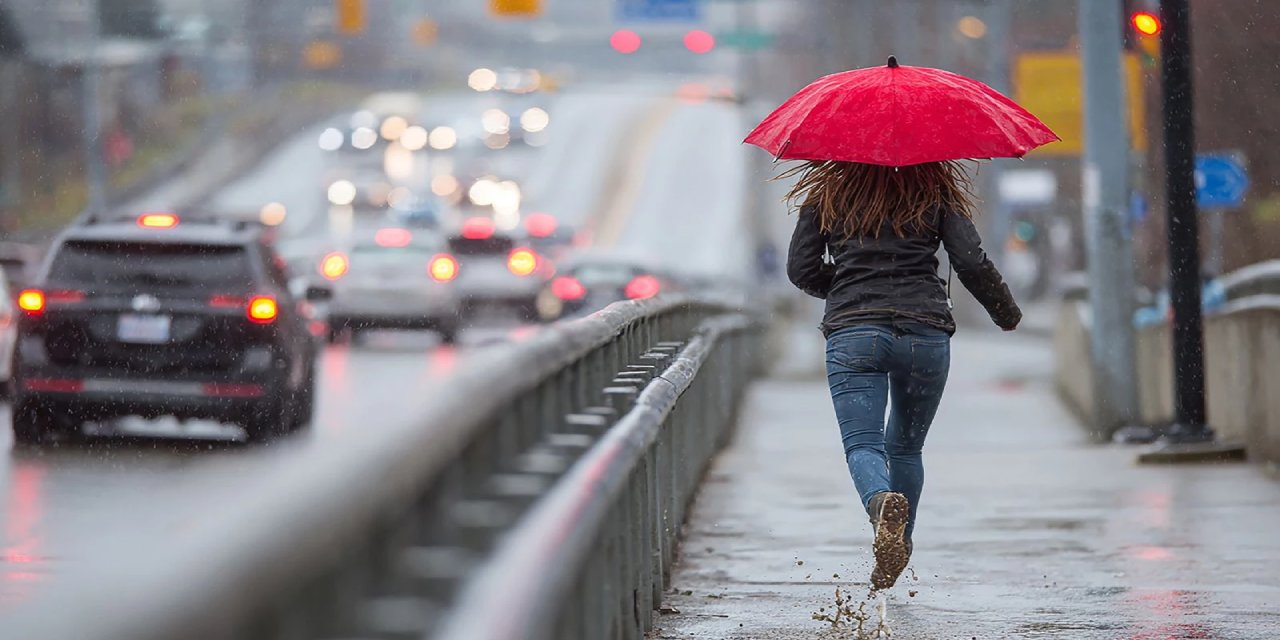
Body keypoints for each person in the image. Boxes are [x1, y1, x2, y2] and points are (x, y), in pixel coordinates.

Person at [783, 160, 1021, 591]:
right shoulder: (935, 190)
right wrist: (1004, 311)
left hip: (855, 333)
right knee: (907, 448)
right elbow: (970, 261)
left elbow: (801, 269)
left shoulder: (828, 193)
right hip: (924, 333)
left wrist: (848, 285)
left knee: (864, 444)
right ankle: (899, 542)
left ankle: (880, 505)